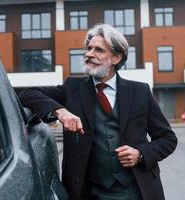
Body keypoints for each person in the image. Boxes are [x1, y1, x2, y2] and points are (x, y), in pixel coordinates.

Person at [19, 24, 177, 200]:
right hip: (90, 192)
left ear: (116, 58)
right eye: (88, 48)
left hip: (138, 191)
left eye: (98, 50)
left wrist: (140, 154)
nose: (89, 54)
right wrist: (60, 111)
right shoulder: (73, 88)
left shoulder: (140, 91)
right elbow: (28, 94)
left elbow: (168, 139)